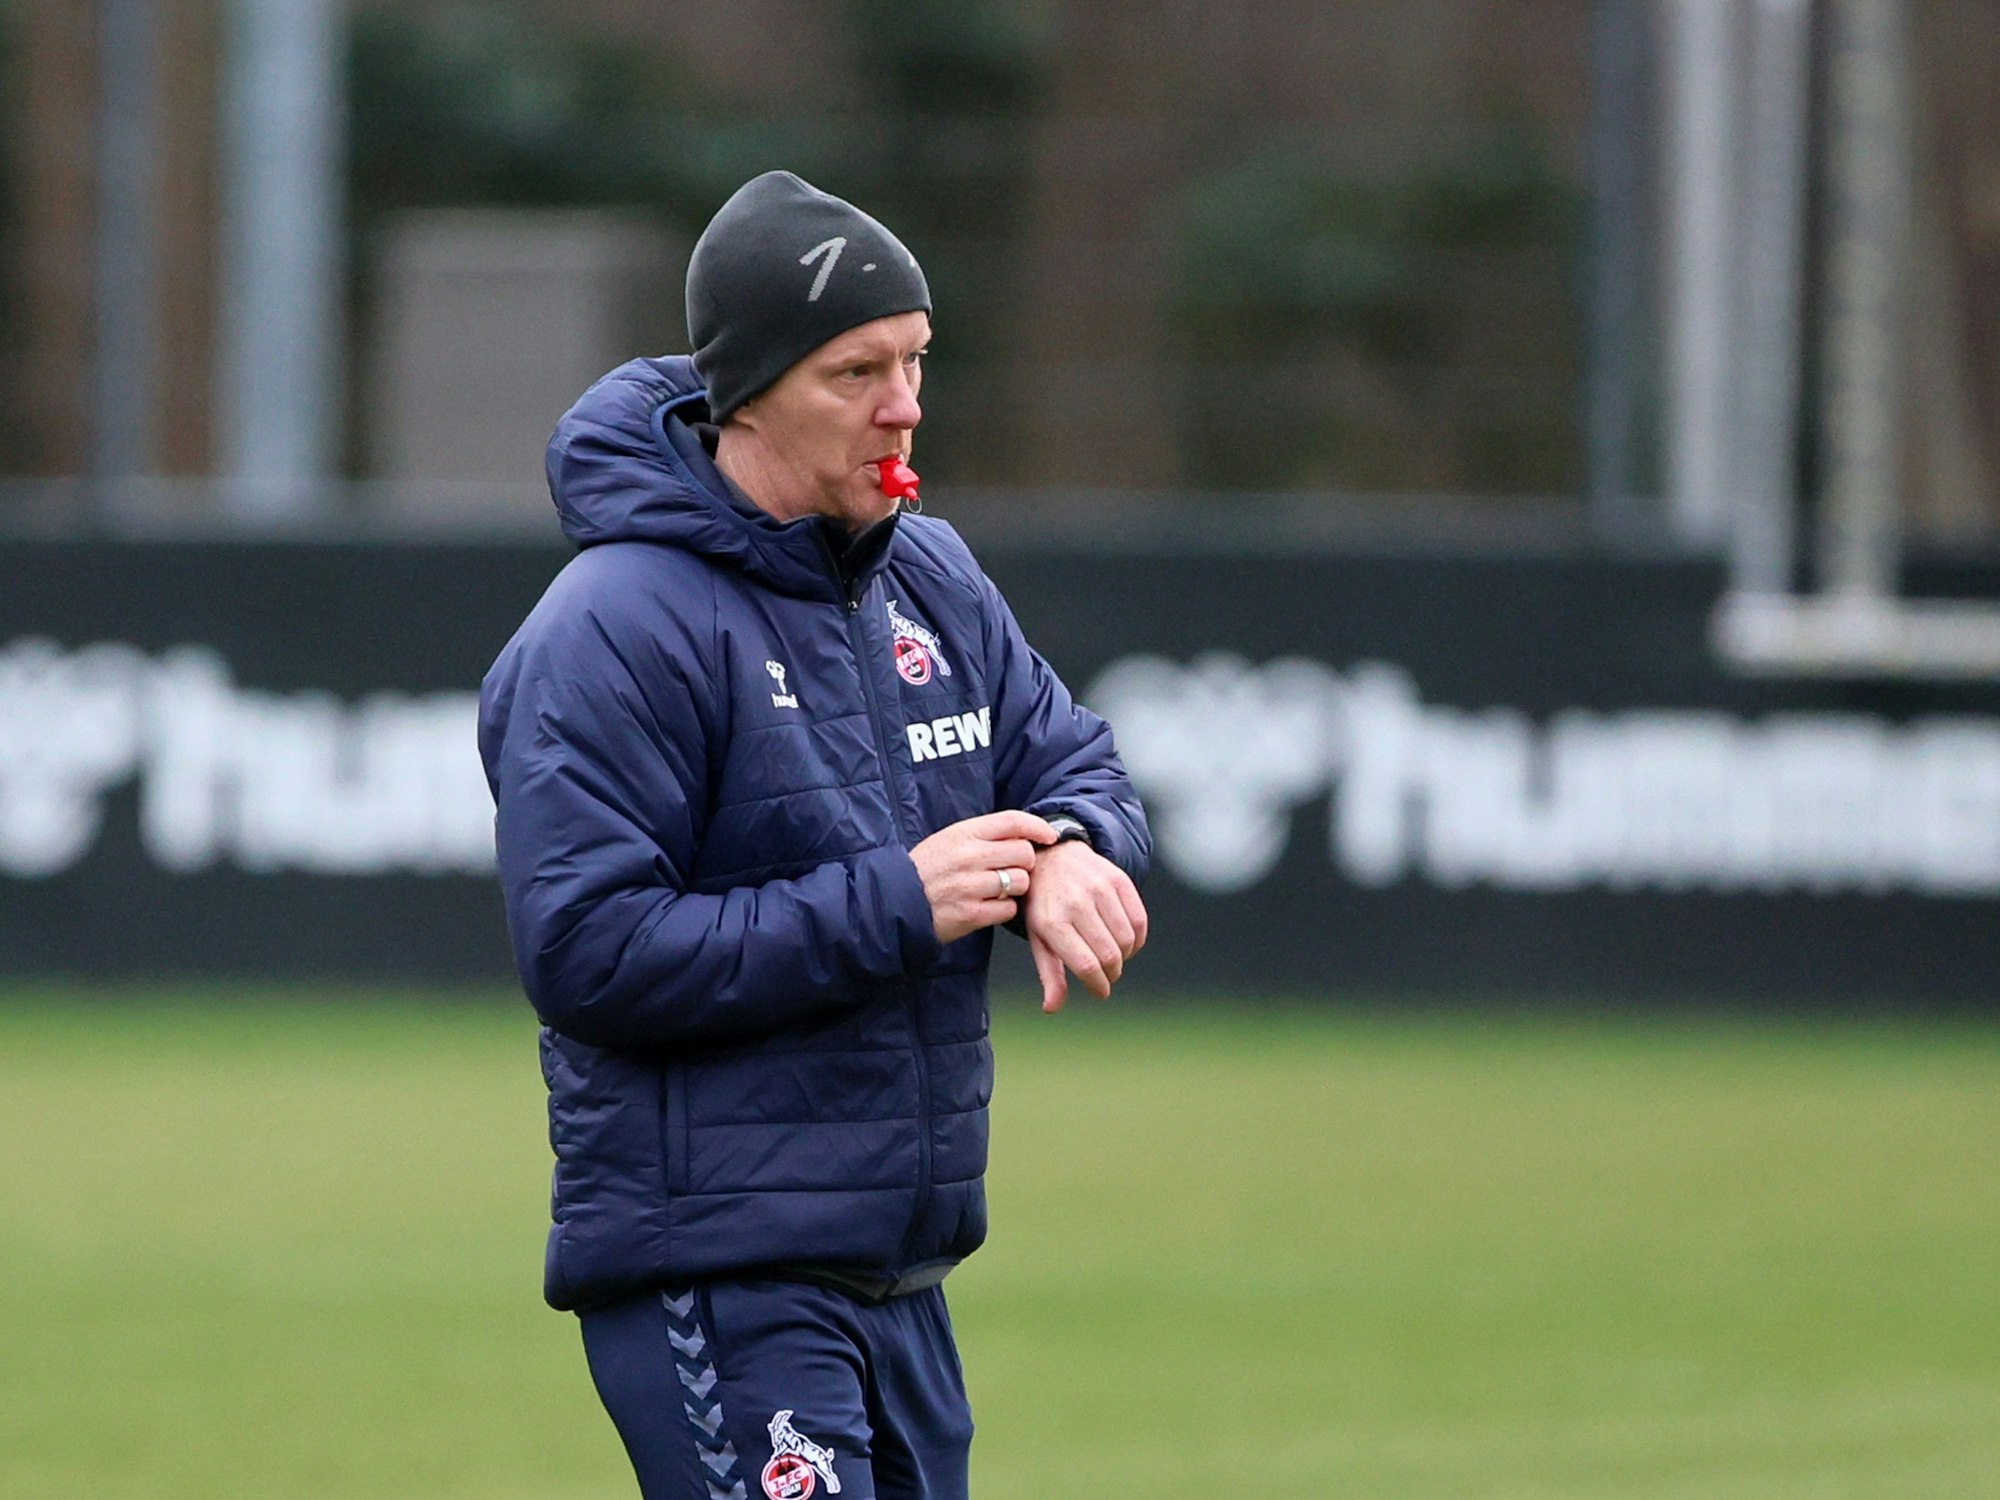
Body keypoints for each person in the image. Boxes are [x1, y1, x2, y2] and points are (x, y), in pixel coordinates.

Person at [478, 170, 1151, 1500]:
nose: (903, 405)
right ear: (749, 392)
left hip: (904, 1272)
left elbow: (1073, 759)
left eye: (914, 361)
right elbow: (589, 950)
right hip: (721, 1274)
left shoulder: (931, 573)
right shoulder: (614, 622)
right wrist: (897, 902)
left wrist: (1072, 847)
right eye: (857, 371)